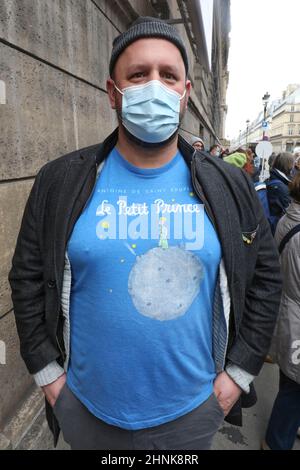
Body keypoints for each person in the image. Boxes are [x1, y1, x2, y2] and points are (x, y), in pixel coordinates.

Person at [8, 16, 282, 451]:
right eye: (138, 74)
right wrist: (49, 377)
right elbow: (26, 277)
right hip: (86, 410)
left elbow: (266, 277)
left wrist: (238, 376)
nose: (154, 86)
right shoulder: (59, 181)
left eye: (168, 75)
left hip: (193, 412)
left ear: (186, 93)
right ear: (112, 93)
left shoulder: (228, 186)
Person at [263, 172, 300, 450]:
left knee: (291, 383)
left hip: (288, 312)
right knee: (294, 389)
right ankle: (277, 441)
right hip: (295, 317)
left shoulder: (289, 218)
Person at [266, 152, 294, 234]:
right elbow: (290, 211)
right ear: (288, 165)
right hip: (277, 228)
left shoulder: (275, 178)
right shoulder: (281, 187)